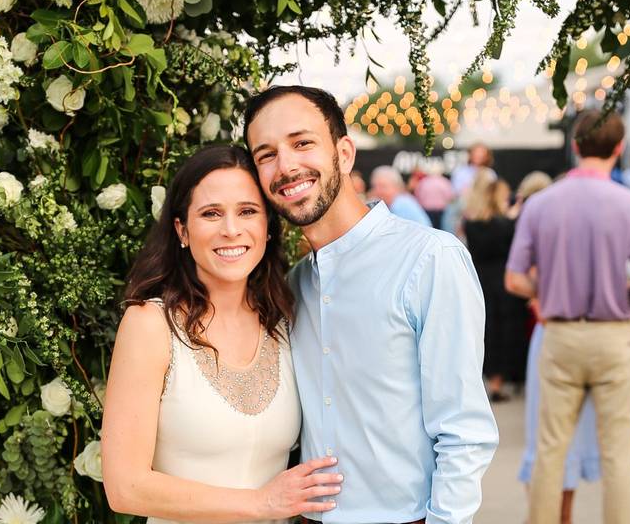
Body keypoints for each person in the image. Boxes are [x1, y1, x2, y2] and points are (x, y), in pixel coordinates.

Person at [244, 85, 498, 524]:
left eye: (302, 143)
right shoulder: (292, 285)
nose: (286, 166)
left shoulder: (429, 258)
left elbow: (464, 429)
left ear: (344, 153)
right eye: (266, 154)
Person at [101, 145, 342, 523]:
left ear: (267, 227)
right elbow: (124, 486)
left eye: (247, 211)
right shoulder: (150, 325)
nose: (231, 230)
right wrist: (261, 503)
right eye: (211, 214)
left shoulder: (285, 320)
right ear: (182, 230)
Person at [505, 109, 630, 524]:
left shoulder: (540, 204)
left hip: (560, 335)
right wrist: (621, 289)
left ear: (575, 147)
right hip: (615, 336)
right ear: (619, 148)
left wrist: (548, 288)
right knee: (618, 458)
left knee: (550, 450)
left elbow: (514, 279)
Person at [508, 170, 602, 524]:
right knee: (562, 437)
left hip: (556, 333)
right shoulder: (593, 222)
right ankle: (559, 516)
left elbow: (517, 277)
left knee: (549, 437)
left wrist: (541, 300)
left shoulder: (540, 216)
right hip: (587, 331)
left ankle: (554, 516)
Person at [461, 171, 528, 399]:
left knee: (485, 332)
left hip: (479, 281)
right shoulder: (506, 225)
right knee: (505, 332)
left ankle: (491, 381)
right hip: (504, 283)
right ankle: (504, 379)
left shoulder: (471, 224)